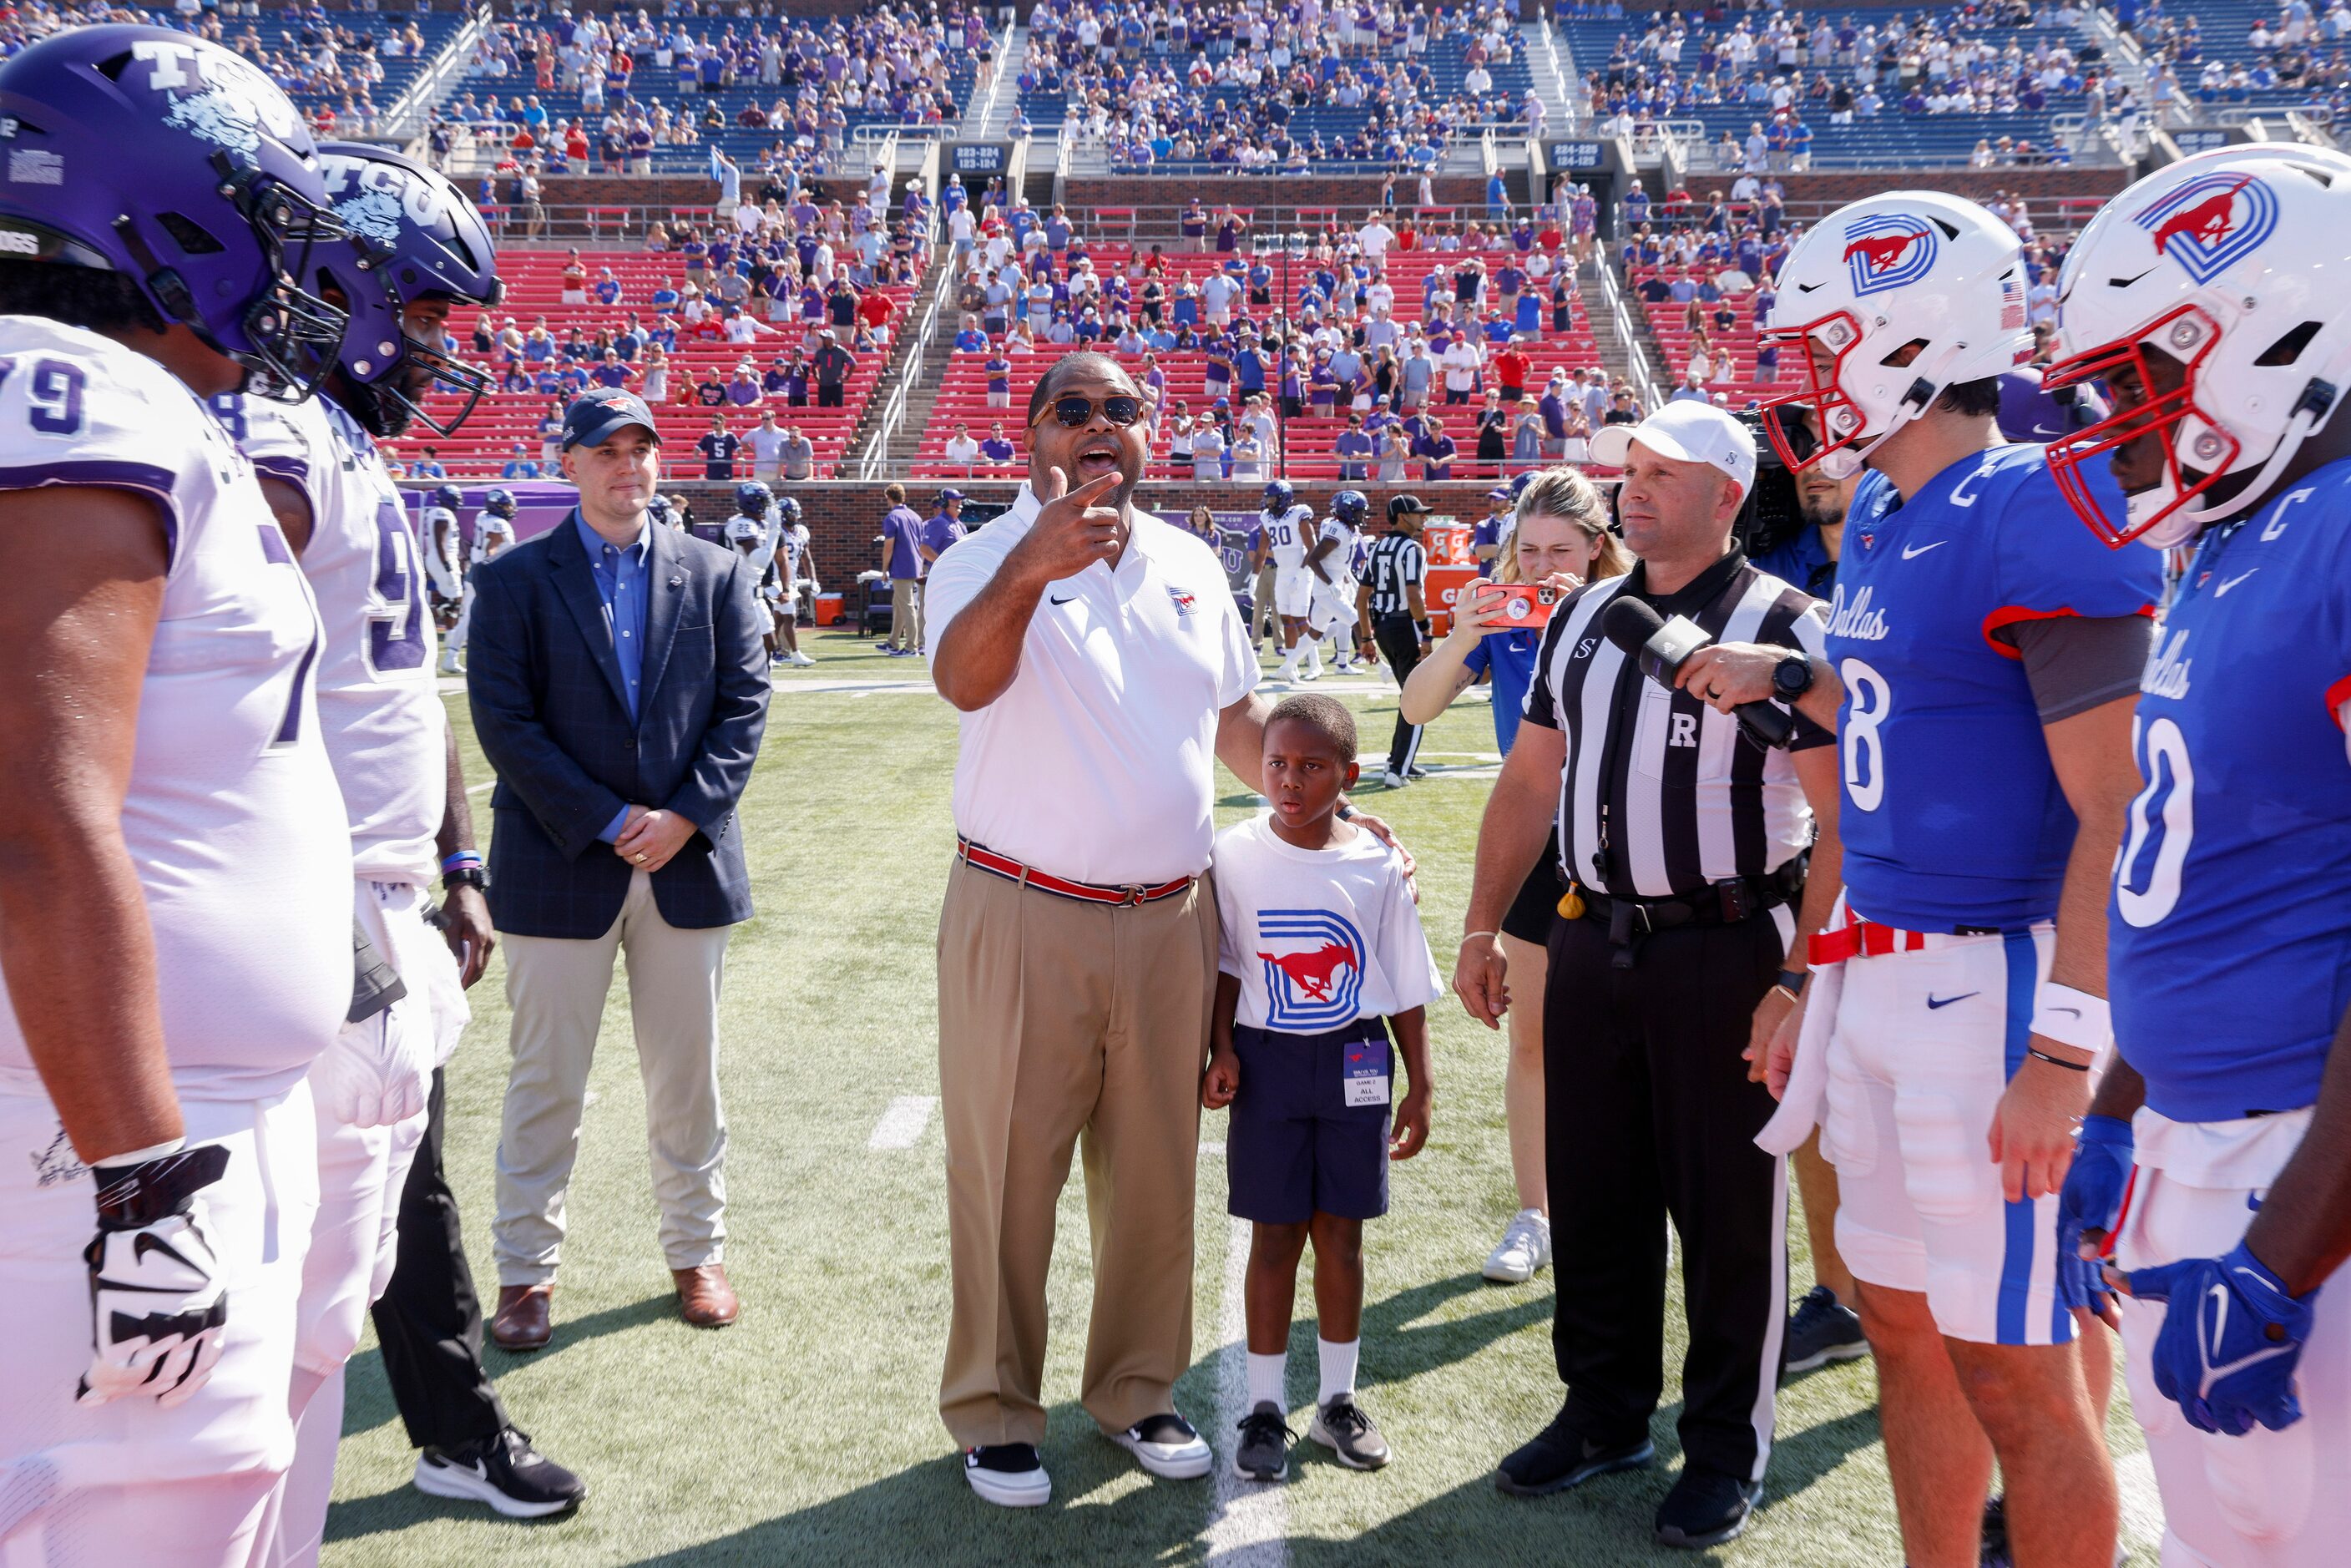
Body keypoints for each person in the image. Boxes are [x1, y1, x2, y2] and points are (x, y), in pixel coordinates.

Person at [1714, 190, 2158, 1568]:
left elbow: (2114, 801)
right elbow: (1893, 712)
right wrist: (1808, 967)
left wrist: (2063, 1044)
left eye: (1820, 341)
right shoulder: (1897, 510)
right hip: (1883, 964)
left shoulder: (2031, 503)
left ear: (1907, 337)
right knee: (1903, 1325)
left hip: (1998, 973)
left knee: (2015, 1361)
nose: (1797, 375)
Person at [923, 350, 1404, 1510]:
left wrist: (1327, 812)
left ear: (1155, 430)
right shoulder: (983, 557)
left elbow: (1236, 721)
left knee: (1152, 1177)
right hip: (1023, 906)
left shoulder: (1190, 560)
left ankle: (1138, 1387)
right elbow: (964, 680)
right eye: (1073, 410)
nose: (1099, 427)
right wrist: (1033, 569)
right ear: (1032, 431)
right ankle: (995, 1408)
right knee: (1007, 1172)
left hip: (1174, 913)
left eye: (1121, 410)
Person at [0, 28, 353, 1566]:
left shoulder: (113, 401)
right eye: (262, 222)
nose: (286, 275)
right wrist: (141, 1175)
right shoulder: (64, 387)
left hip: (149, 1107)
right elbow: (30, 812)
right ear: (162, 212)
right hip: (104, 1131)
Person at [223, 141, 583, 1543]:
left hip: (376, 898)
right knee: (307, 1252)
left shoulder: (341, 439)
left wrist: (457, 857)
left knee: (388, 1194)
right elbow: (184, 652)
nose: (441, 345)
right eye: (425, 310)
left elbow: (399, 687)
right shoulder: (275, 438)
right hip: (303, 909)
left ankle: (439, 1432)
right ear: (336, 285)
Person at [1456, 404, 1844, 1550]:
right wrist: (1483, 926)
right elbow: (1532, 783)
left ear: (1726, 494)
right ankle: (1605, 1409)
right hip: (1589, 932)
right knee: (1594, 1189)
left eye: (1660, 474)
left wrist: (1799, 973)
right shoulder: (1582, 612)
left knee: (1729, 1209)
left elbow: (1842, 816)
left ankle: (1727, 1443)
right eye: (1627, 470)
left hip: (1729, 942)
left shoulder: (1787, 622)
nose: (1631, 491)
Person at [2041, 143, 2351, 1568]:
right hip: (2203, 1146)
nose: (2114, 427)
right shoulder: (2236, 536)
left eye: (2139, 383)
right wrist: (2119, 1109)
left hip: (2303, 1170)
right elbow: (2202, 877)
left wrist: (2289, 1247)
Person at [468, 389, 772, 1349]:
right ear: (569, 464)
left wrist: (683, 816)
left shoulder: (716, 574)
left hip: (684, 865)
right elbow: (504, 724)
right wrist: (605, 820)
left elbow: (743, 708)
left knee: (688, 1082)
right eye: (606, 450)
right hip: (560, 861)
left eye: (641, 449)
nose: (627, 466)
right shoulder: (514, 582)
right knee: (544, 1082)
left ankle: (696, 1252)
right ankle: (525, 1276)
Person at [1403, 470, 1632, 1282]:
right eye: (1526, 550)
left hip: (1635, 849)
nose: (1539, 568)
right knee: (1532, 1039)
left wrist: (1593, 614)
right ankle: (1534, 1214)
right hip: (1538, 845)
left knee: (1633, 1042)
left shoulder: (1635, 606)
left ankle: (1623, 1207)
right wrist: (1460, 637)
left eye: (1558, 552)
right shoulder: (1502, 614)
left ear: (1595, 547)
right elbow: (1416, 706)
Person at [1206, 696, 1442, 1481]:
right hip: (1268, 1062)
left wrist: (1421, 1083)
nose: (1291, 781)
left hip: (1356, 1061)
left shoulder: (1375, 862)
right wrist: (1220, 1049)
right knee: (1275, 1236)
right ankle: (1266, 1407)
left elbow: (1403, 979)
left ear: (1350, 775)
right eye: (1278, 764)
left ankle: (1336, 1403)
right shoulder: (1233, 852)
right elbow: (1228, 962)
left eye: (1313, 768)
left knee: (1342, 1233)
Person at [439, 489, 518, 674]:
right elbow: (492, 549)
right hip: (489, 573)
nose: (510, 509)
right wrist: (492, 573)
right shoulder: (498, 524)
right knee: (484, 617)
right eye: (506, 505)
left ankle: (453, 655)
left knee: (470, 616)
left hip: (476, 571)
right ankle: (458, 656)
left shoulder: (483, 517)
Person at [1261, 480, 1321, 683]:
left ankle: (1315, 664)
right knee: (1286, 619)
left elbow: (1312, 547)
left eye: (1272, 498)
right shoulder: (1267, 517)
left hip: (1301, 571)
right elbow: (1262, 550)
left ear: (1283, 498)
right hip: (1283, 573)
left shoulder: (1299, 514)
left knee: (1301, 620)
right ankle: (1290, 666)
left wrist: (1302, 572)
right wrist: (1254, 577)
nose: (1268, 502)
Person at [1305, 488, 1367, 676]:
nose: (1362, 515)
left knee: (1320, 629)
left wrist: (1350, 579)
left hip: (1339, 581)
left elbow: (1342, 560)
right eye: (1358, 511)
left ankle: (1294, 664)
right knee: (1353, 619)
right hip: (1328, 586)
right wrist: (1332, 584)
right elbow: (1317, 558)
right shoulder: (1336, 527)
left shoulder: (1350, 528)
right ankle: (1379, 663)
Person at [881, 481, 926, 655]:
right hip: (915, 564)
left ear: (888, 498)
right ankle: (893, 641)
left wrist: (884, 569)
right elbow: (921, 544)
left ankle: (911, 646)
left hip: (901, 566)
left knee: (907, 606)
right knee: (898, 604)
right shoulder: (915, 516)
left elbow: (888, 547)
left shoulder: (892, 518)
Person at [698, 413, 741, 480]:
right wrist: (696, 456)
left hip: (726, 470)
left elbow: (739, 448)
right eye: (712, 423)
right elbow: (697, 448)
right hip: (712, 470)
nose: (714, 425)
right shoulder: (709, 436)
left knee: (726, 489)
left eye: (716, 423)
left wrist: (741, 457)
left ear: (723, 423)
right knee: (712, 489)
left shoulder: (730, 436)